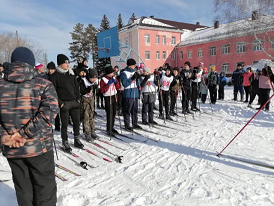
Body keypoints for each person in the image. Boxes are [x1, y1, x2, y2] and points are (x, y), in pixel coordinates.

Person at [0, 47, 58, 206]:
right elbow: (50, 111)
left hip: (13, 148)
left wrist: (4, 136)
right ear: (31, 63)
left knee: (23, 189)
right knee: (44, 189)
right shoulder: (43, 84)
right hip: (39, 148)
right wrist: (24, 135)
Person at [50, 54, 84, 152]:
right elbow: (53, 92)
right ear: (60, 64)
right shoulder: (55, 76)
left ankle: (76, 139)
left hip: (74, 102)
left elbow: (76, 86)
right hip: (64, 103)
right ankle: (65, 141)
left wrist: (78, 98)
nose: (68, 64)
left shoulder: (71, 73)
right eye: (66, 63)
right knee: (64, 124)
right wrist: (60, 103)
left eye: (68, 62)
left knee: (76, 122)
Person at [121, 58, 142, 131]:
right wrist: (132, 78)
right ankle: (127, 125)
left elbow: (138, 84)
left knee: (135, 110)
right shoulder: (124, 73)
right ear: (130, 65)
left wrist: (138, 79)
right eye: (134, 65)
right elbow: (125, 84)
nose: (135, 66)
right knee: (127, 110)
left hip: (135, 93)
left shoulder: (134, 72)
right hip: (128, 94)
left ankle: (134, 123)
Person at [100, 65, 121, 135]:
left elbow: (118, 87)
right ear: (108, 73)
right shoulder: (103, 79)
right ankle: (109, 129)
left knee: (114, 112)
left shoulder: (114, 77)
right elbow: (102, 91)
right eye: (112, 73)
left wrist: (116, 82)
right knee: (110, 113)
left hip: (114, 96)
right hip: (108, 97)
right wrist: (108, 84)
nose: (113, 74)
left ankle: (112, 127)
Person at [79, 69, 99, 141]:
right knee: (86, 116)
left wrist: (96, 88)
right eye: (92, 78)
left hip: (91, 98)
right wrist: (88, 89)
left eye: (95, 78)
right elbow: (81, 91)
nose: (93, 80)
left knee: (91, 115)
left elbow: (95, 90)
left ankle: (92, 130)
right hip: (84, 99)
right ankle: (87, 133)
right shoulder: (83, 81)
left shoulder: (94, 81)